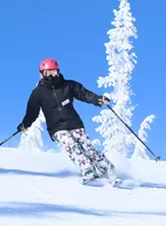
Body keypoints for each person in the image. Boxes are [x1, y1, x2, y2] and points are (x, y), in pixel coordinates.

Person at [17, 58, 121, 186]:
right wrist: (24, 125)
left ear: (58, 72)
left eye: (54, 72)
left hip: (74, 123)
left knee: (88, 148)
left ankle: (110, 171)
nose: (51, 76)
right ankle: (88, 170)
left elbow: (84, 94)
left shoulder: (68, 85)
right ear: (41, 74)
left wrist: (97, 99)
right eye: (47, 73)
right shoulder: (38, 93)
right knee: (70, 145)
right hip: (56, 127)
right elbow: (32, 112)